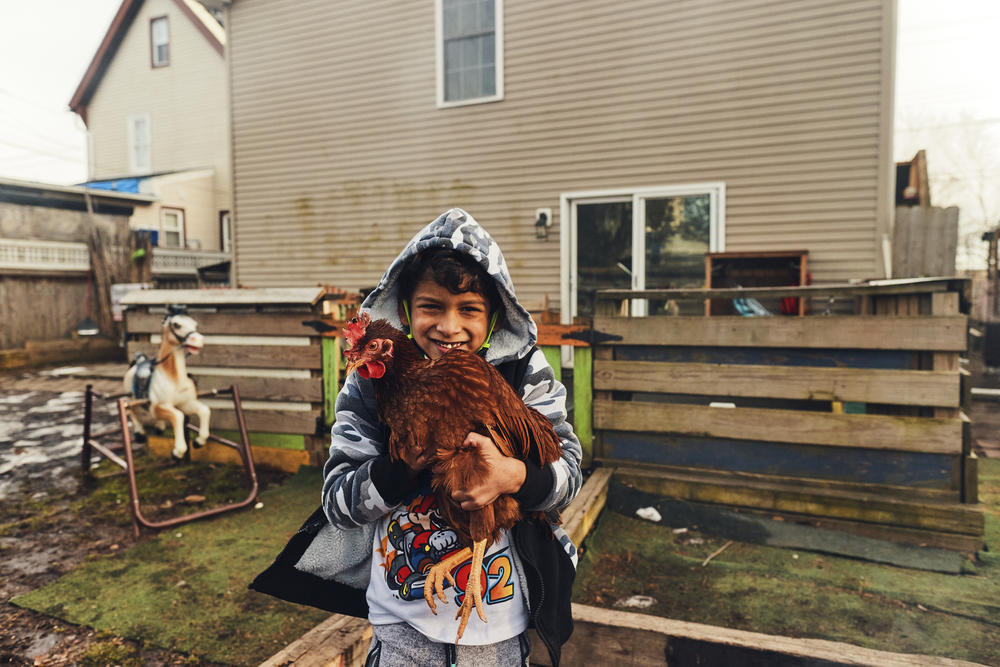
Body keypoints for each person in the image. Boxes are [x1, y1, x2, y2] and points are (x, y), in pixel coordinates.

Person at [323, 208, 583, 666]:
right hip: (401, 619)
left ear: (495, 317)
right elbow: (337, 503)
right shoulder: (369, 387)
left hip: (497, 622)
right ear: (404, 310)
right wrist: (400, 467)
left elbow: (569, 472)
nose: (449, 326)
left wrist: (514, 475)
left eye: (469, 310)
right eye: (431, 307)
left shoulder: (523, 371)